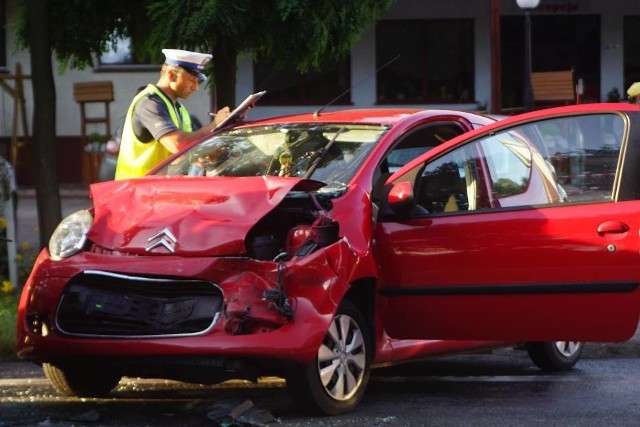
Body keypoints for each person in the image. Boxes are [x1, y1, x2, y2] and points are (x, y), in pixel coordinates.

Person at [115, 49, 232, 180]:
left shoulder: (179, 109)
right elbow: (176, 144)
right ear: (171, 75)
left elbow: (181, 152)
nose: (196, 87)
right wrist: (213, 125)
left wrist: (199, 157)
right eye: (192, 79)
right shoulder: (150, 103)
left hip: (158, 190)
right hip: (136, 192)